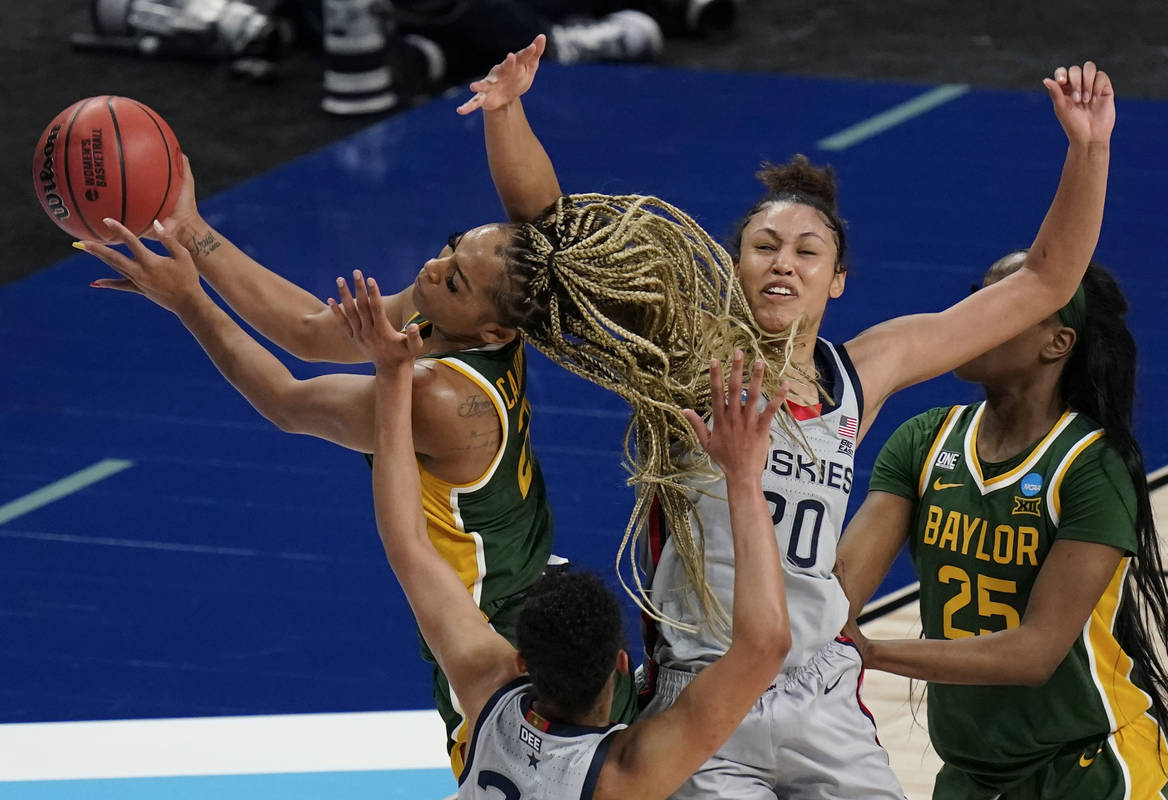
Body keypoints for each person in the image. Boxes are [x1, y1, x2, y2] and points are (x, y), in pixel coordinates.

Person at [461, 39, 1116, 798]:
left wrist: (1088, 148)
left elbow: (1043, 281)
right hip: (706, 693)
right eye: (764, 246)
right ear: (732, 266)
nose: (784, 262)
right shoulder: (684, 353)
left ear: (837, 281)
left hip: (819, 690)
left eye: (808, 252)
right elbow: (556, 234)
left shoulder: (862, 371)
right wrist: (506, 110)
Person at [79, 162, 640, 776]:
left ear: (492, 326)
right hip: (536, 581)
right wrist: (189, 229)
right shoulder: (467, 319)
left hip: (485, 626)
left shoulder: (439, 400)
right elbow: (312, 331)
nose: (434, 268)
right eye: (450, 247)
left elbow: (288, 402)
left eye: (454, 280)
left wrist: (188, 301)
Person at [355, 250, 791, 799]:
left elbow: (408, 543)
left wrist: (393, 380)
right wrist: (747, 479)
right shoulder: (623, 777)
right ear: (620, 664)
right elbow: (767, 644)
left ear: (520, 660)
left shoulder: (489, 695)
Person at [836, 256, 1168, 798]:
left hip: (1089, 768)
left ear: (1056, 343)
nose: (975, 313)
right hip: (969, 774)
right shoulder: (923, 440)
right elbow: (838, 594)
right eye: (977, 295)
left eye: (1008, 301)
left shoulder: (1091, 465)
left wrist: (870, 652)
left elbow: (1034, 654)